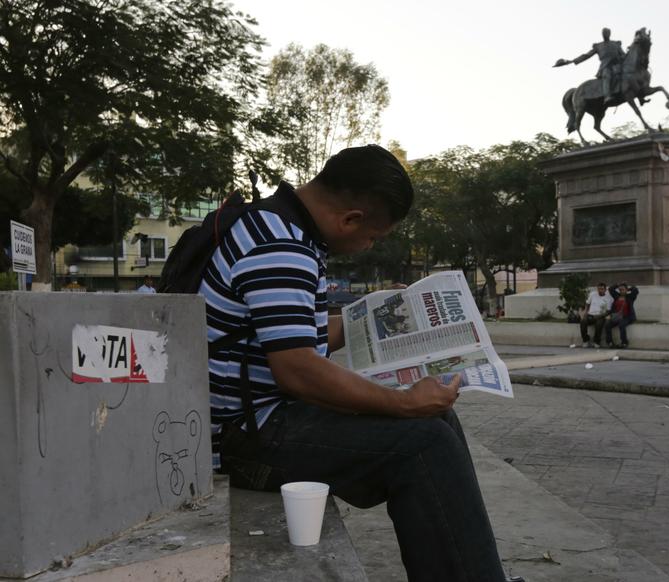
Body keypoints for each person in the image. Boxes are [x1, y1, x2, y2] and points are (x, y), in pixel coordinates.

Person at [199, 145, 516, 582]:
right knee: (426, 444)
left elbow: (291, 334)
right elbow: (296, 368)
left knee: (440, 421)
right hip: (247, 439)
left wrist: (366, 314)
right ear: (350, 219)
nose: (368, 246)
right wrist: (403, 402)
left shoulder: (279, 225)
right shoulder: (282, 245)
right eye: (374, 237)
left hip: (261, 418)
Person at [554, 27, 625, 105]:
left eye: (606, 33)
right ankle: (607, 96)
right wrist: (573, 61)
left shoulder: (615, 44)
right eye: (604, 33)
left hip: (618, 66)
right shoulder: (598, 46)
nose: (605, 35)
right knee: (607, 76)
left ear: (609, 34)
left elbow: (623, 55)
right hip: (606, 67)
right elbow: (587, 55)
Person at [605, 282, 639, 348]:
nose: (621, 291)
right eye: (620, 290)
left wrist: (629, 289)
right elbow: (610, 289)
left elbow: (636, 290)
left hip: (627, 317)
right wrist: (617, 285)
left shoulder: (630, 297)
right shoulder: (616, 296)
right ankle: (610, 342)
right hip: (616, 316)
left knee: (621, 324)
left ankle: (624, 342)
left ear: (626, 290)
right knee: (607, 325)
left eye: (623, 290)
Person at [580, 282, 613, 348]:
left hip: (600, 316)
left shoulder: (608, 298)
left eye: (602, 289)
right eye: (599, 289)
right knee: (583, 321)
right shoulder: (593, 294)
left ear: (605, 289)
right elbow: (587, 303)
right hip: (590, 314)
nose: (600, 290)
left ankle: (597, 341)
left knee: (599, 324)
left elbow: (608, 311)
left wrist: (599, 316)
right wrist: (585, 311)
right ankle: (585, 340)